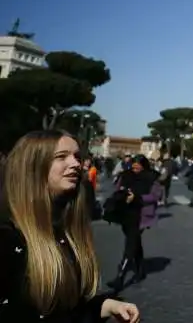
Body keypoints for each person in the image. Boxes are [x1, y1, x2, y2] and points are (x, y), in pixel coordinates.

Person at [0, 130, 140, 322]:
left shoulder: (66, 229)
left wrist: (106, 306)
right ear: (32, 166)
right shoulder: (6, 238)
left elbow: (68, 310)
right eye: (61, 157)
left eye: (76, 156)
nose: (76, 163)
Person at [109, 155, 162, 292]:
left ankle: (120, 276)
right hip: (125, 213)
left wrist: (137, 197)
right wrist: (122, 194)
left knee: (131, 243)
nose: (135, 167)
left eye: (138, 165)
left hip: (142, 215)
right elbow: (117, 188)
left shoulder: (152, 178)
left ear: (144, 165)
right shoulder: (125, 175)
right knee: (135, 242)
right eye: (134, 165)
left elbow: (155, 196)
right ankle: (140, 271)